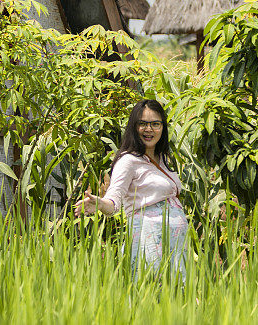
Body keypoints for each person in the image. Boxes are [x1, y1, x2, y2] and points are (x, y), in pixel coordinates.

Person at [73, 99, 188, 281]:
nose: (148, 129)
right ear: (134, 127)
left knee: (175, 301)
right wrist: (101, 204)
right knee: (152, 296)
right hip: (149, 242)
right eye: (142, 124)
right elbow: (114, 198)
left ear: (163, 127)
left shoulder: (164, 160)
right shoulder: (128, 161)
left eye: (155, 124)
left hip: (175, 244)